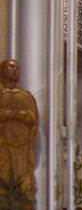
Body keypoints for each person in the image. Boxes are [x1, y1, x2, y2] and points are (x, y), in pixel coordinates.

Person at [0, 58, 39, 199]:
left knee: (23, 182)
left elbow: (34, 119)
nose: (15, 70)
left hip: (22, 148)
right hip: (3, 145)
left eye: (17, 67)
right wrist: (9, 114)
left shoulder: (26, 96)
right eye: (11, 67)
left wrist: (23, 115)